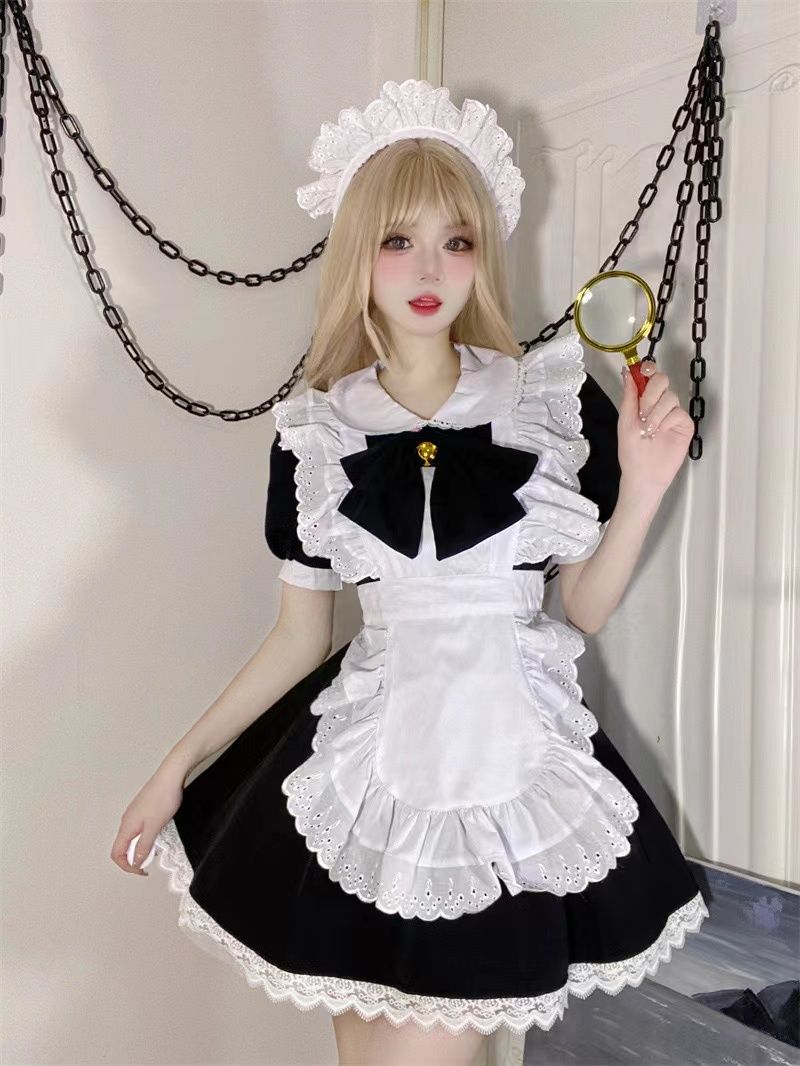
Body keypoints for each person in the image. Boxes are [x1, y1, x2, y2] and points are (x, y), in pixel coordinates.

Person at [111, 80, 710, 1066]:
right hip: (367, 781)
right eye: (398, 240)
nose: (430, 268)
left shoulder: (550, 399)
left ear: (483, 253)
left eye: (455, 240)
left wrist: (642, 488)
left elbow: (581, 606)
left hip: (502, 773)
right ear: (359, 252)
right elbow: (298, 639)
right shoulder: (315, 429)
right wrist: (174, 768)